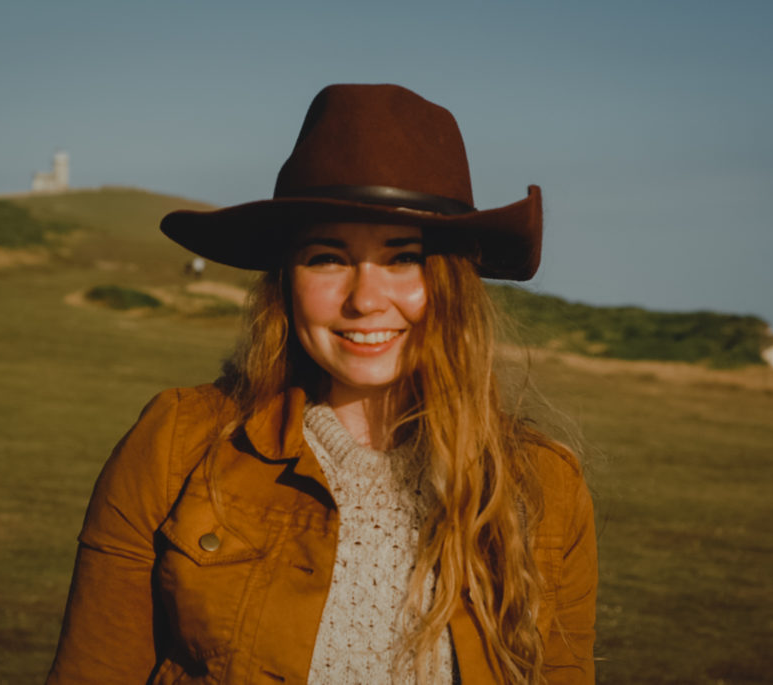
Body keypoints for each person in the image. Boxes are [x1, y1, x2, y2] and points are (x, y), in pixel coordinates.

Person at [47, 84, 596, 684]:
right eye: (328, 258)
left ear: (451, 283)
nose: (364, 300)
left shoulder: (544, 487)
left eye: (401, 258)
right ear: (285, 281)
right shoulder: (176, 446)